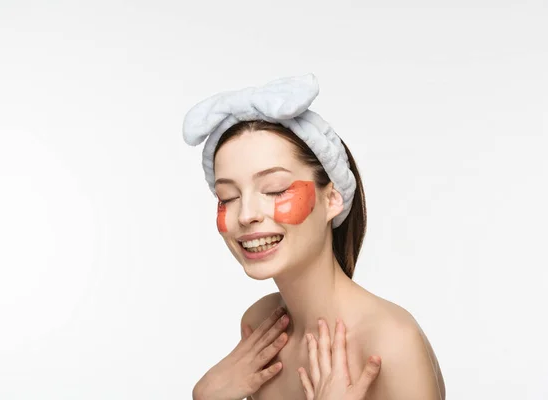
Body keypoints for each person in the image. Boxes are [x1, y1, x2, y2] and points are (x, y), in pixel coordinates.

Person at [184, 74, 445, 400]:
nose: (245, 214)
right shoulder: (260, 327)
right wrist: (206, 396)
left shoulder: (391, 343)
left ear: (332, 199)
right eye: (227, 196)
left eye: (275, 190)